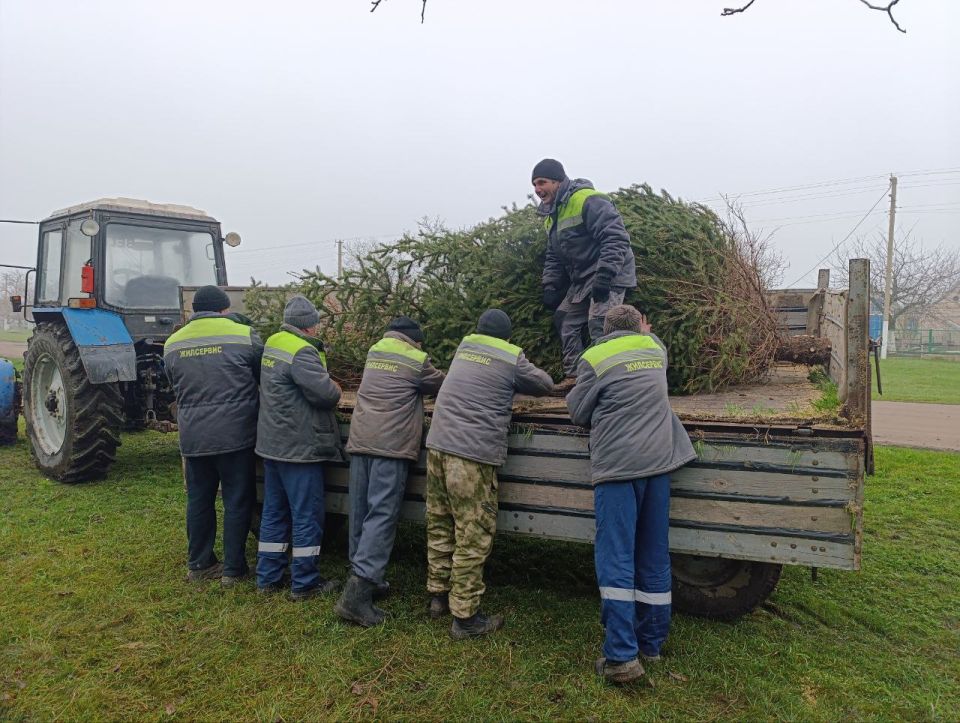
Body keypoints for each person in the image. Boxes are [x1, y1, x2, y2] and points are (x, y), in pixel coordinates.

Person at [566, 305, 696, 685]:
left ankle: (621, 657)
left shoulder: (594, 358)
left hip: (618, 469)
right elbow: (650, 343)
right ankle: (650, 645)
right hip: (659, 465)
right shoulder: (655, 349)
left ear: (605, 330)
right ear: (640, 326)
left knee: (617, 559)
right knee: (653, 555)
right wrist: (645, 331)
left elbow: (577, 411)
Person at [424, 309, 554, 639]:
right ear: (507, 337)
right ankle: (465, 618)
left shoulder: (464, 347)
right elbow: (544, 384)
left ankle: (438, 596)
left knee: (440, 522)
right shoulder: (509, 356)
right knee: (473, 533)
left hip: (438, 446)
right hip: (471, 454)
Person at [335, 316, 446, 627]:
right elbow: (442, 383)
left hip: (361, 440)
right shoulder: (416, 359)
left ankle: (364, 577)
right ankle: (357, 595)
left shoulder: (375, 350)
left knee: (360, 511)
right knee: (381, 515)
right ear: (416, 340)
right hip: (390, 445)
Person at [163, 285, 262, 588]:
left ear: (195, 310)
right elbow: (262, 376)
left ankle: (200, 564)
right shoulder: (244, 336)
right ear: (224, 309)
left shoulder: (172, 343)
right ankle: (234, 569)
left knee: (199, 499)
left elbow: (173, 384)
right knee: (237, 499)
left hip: (194, 436)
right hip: (236, 435)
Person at [255, 295, 344, 600]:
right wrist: (336, 387)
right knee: (306, 515)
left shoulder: (273, 342)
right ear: (308, 326)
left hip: (272, 445)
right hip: (298, 448)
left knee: (274, 512)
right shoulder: (302, 351)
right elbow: (326, 395)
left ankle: (268, 577)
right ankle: (305, 583)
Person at [533, 158, 637, 381]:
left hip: (610, 272)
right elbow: (553, 255)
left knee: (600, 324)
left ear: (558, 181)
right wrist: (550, 285)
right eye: (534, 184)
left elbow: (616, 237)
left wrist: (605, 275)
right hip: (583, 278)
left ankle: (607, 381)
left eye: (542, 182)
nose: (537, 189)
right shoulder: (551, 216)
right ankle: (575, 378)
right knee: (564, 319)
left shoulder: (588, 200)